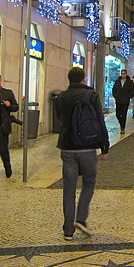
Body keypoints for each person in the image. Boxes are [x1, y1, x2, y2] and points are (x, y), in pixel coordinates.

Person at [54, 67, 110, 241]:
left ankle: (68, 230)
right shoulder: (91, 96)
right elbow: (100, 121)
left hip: (68, 149)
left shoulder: (60, 97)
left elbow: (60, 120)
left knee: (69, 189)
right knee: (89, 181)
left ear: (69, 79)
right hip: (87, 147)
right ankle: (81, 218)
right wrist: (104, 147)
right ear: (83, 79)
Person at [111, 69, 134, 134]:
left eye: (124, 73)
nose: (123, 75)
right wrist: (115, 96)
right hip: (118, 100)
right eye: (122, 73)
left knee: (124, 114)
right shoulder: (117, 81)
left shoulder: (129, 82)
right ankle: (121, 124)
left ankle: (122, 128)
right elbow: (114, 89)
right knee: (118, 114)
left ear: (126, 74)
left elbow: (132, 90)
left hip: (125, 101)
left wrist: (128, 96)